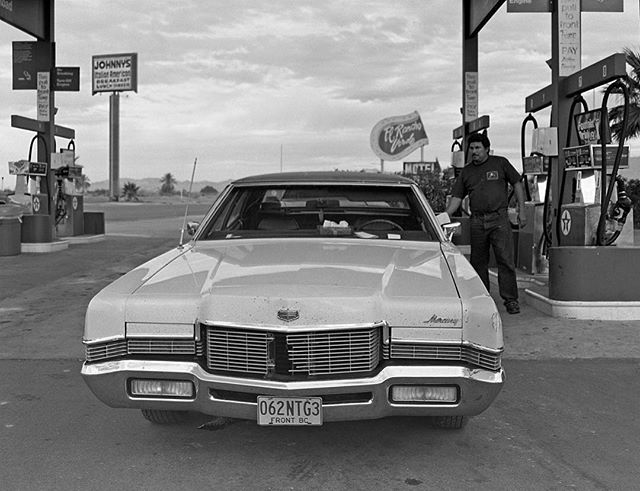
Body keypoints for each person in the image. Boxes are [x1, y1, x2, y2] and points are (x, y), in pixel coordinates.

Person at [444, 132, 526, 314]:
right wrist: (444, 215)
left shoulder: (500, 163)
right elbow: (457, 197)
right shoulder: (466, 171)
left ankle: (511, 300)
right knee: (478, 262)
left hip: (499, 219)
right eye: (471, 148)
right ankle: (482, 299)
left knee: (505, 259)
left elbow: (517, 183)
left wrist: (522, 209)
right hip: (477, 221)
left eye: (478, 148)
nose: (474, 151)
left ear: (487, 149)